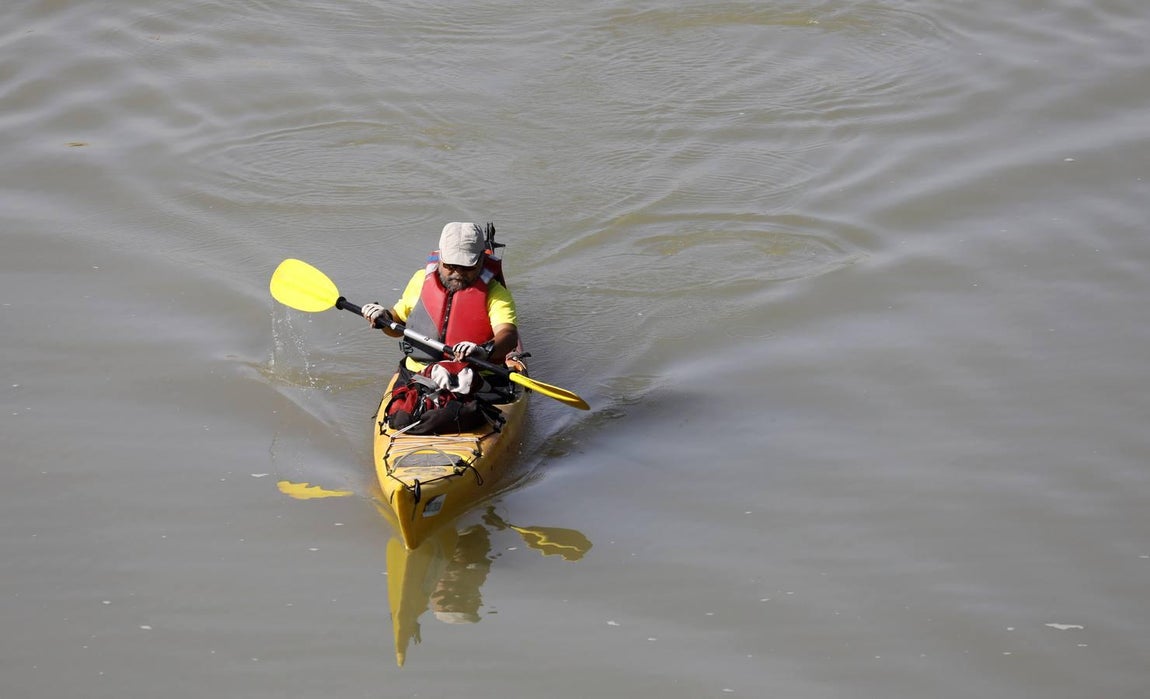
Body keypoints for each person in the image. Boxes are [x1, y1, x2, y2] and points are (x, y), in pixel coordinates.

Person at [360, 222, 522, 388]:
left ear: (481, 260)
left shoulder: (495, 292)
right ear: (440, 258)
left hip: (474, 377)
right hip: (418, 374)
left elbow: (508, 335)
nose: (458, 273)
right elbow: (396, 325)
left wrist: (484, 351)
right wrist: (384, 318)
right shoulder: (420, 280)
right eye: (450, 266)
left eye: (467, 266)